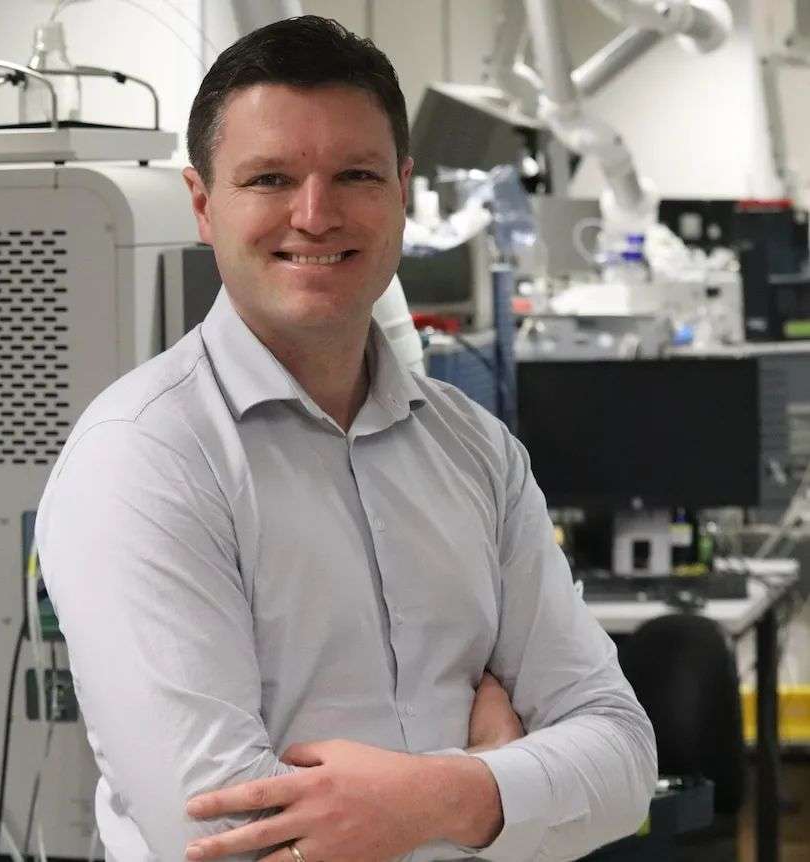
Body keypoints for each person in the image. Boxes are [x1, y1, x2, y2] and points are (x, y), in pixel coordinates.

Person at [36, 15, 657, 862]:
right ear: (202, 205)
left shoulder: (476, 451)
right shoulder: (141, 462)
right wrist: (491, 780)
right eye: (269, 178)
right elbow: (228, 841)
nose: (316, 214)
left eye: (356, 174)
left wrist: (428, 798)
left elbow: (623, 760)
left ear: (402, 190)